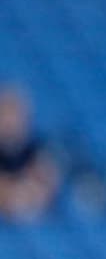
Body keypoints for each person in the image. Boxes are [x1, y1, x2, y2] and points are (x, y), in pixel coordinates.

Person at [0, 85, 61, 222]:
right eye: (5, 113)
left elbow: (48, 189)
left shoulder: (38, 149)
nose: (11, 121)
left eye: (16, 114)